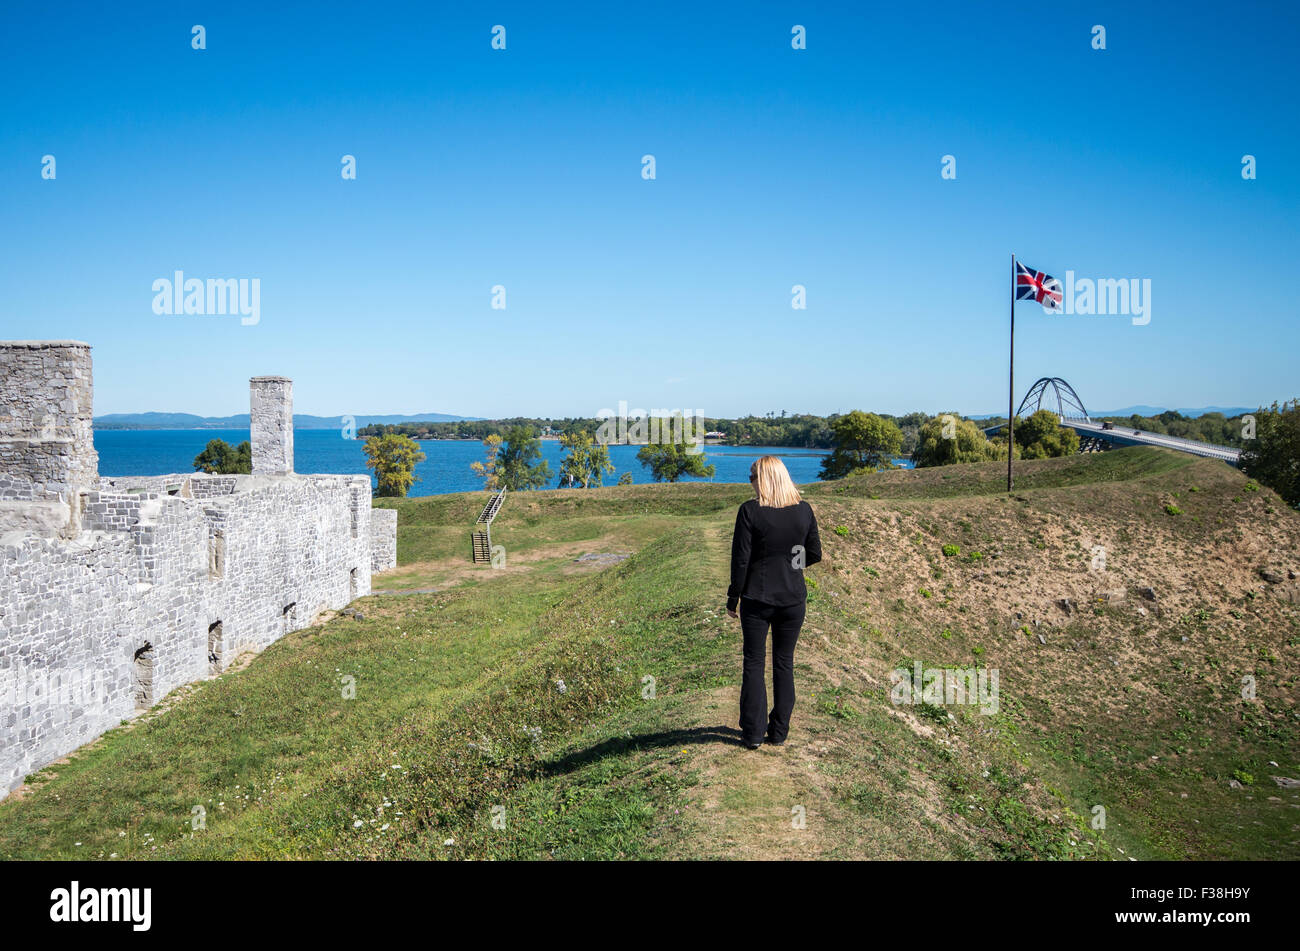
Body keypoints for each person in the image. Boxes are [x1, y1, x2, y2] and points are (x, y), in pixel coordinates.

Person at [726, 455, 822, 749]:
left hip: (757, 597)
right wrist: (791, 564)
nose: (750, 483)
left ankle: (753, 733)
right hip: (793, 599)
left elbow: (741, 561)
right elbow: (814, 553)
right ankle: (779, 732)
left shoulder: (750, 512)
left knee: (754, 663)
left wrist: (733, 597)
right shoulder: (803, 511)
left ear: (764, 479)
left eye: (752, 477)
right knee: (784, 663)